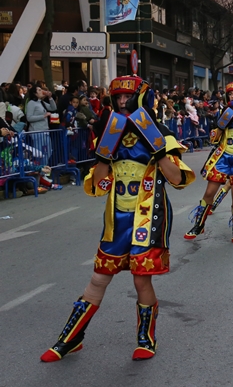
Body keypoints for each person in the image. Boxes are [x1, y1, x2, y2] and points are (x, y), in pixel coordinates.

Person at [40, 76, 195, 362]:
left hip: (148, 218)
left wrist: (157, 147)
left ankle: (146, 340)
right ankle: (70, 339)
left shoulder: (160, 132)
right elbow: (97, 186)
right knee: (98, 278)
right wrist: (103, 154)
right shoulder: (109, 132)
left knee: (140, 280)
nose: (123, 102)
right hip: (117, 218)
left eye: (128, 97)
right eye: (118, 97)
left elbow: (177, 179)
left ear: (141, 99)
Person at [186, 83, 233, 241]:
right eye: (229, 94)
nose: (232, 96)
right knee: (209, 192)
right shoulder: (223, 111)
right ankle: (198, 225)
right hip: (222, 155)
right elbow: (213, 138)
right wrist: (222, 124)